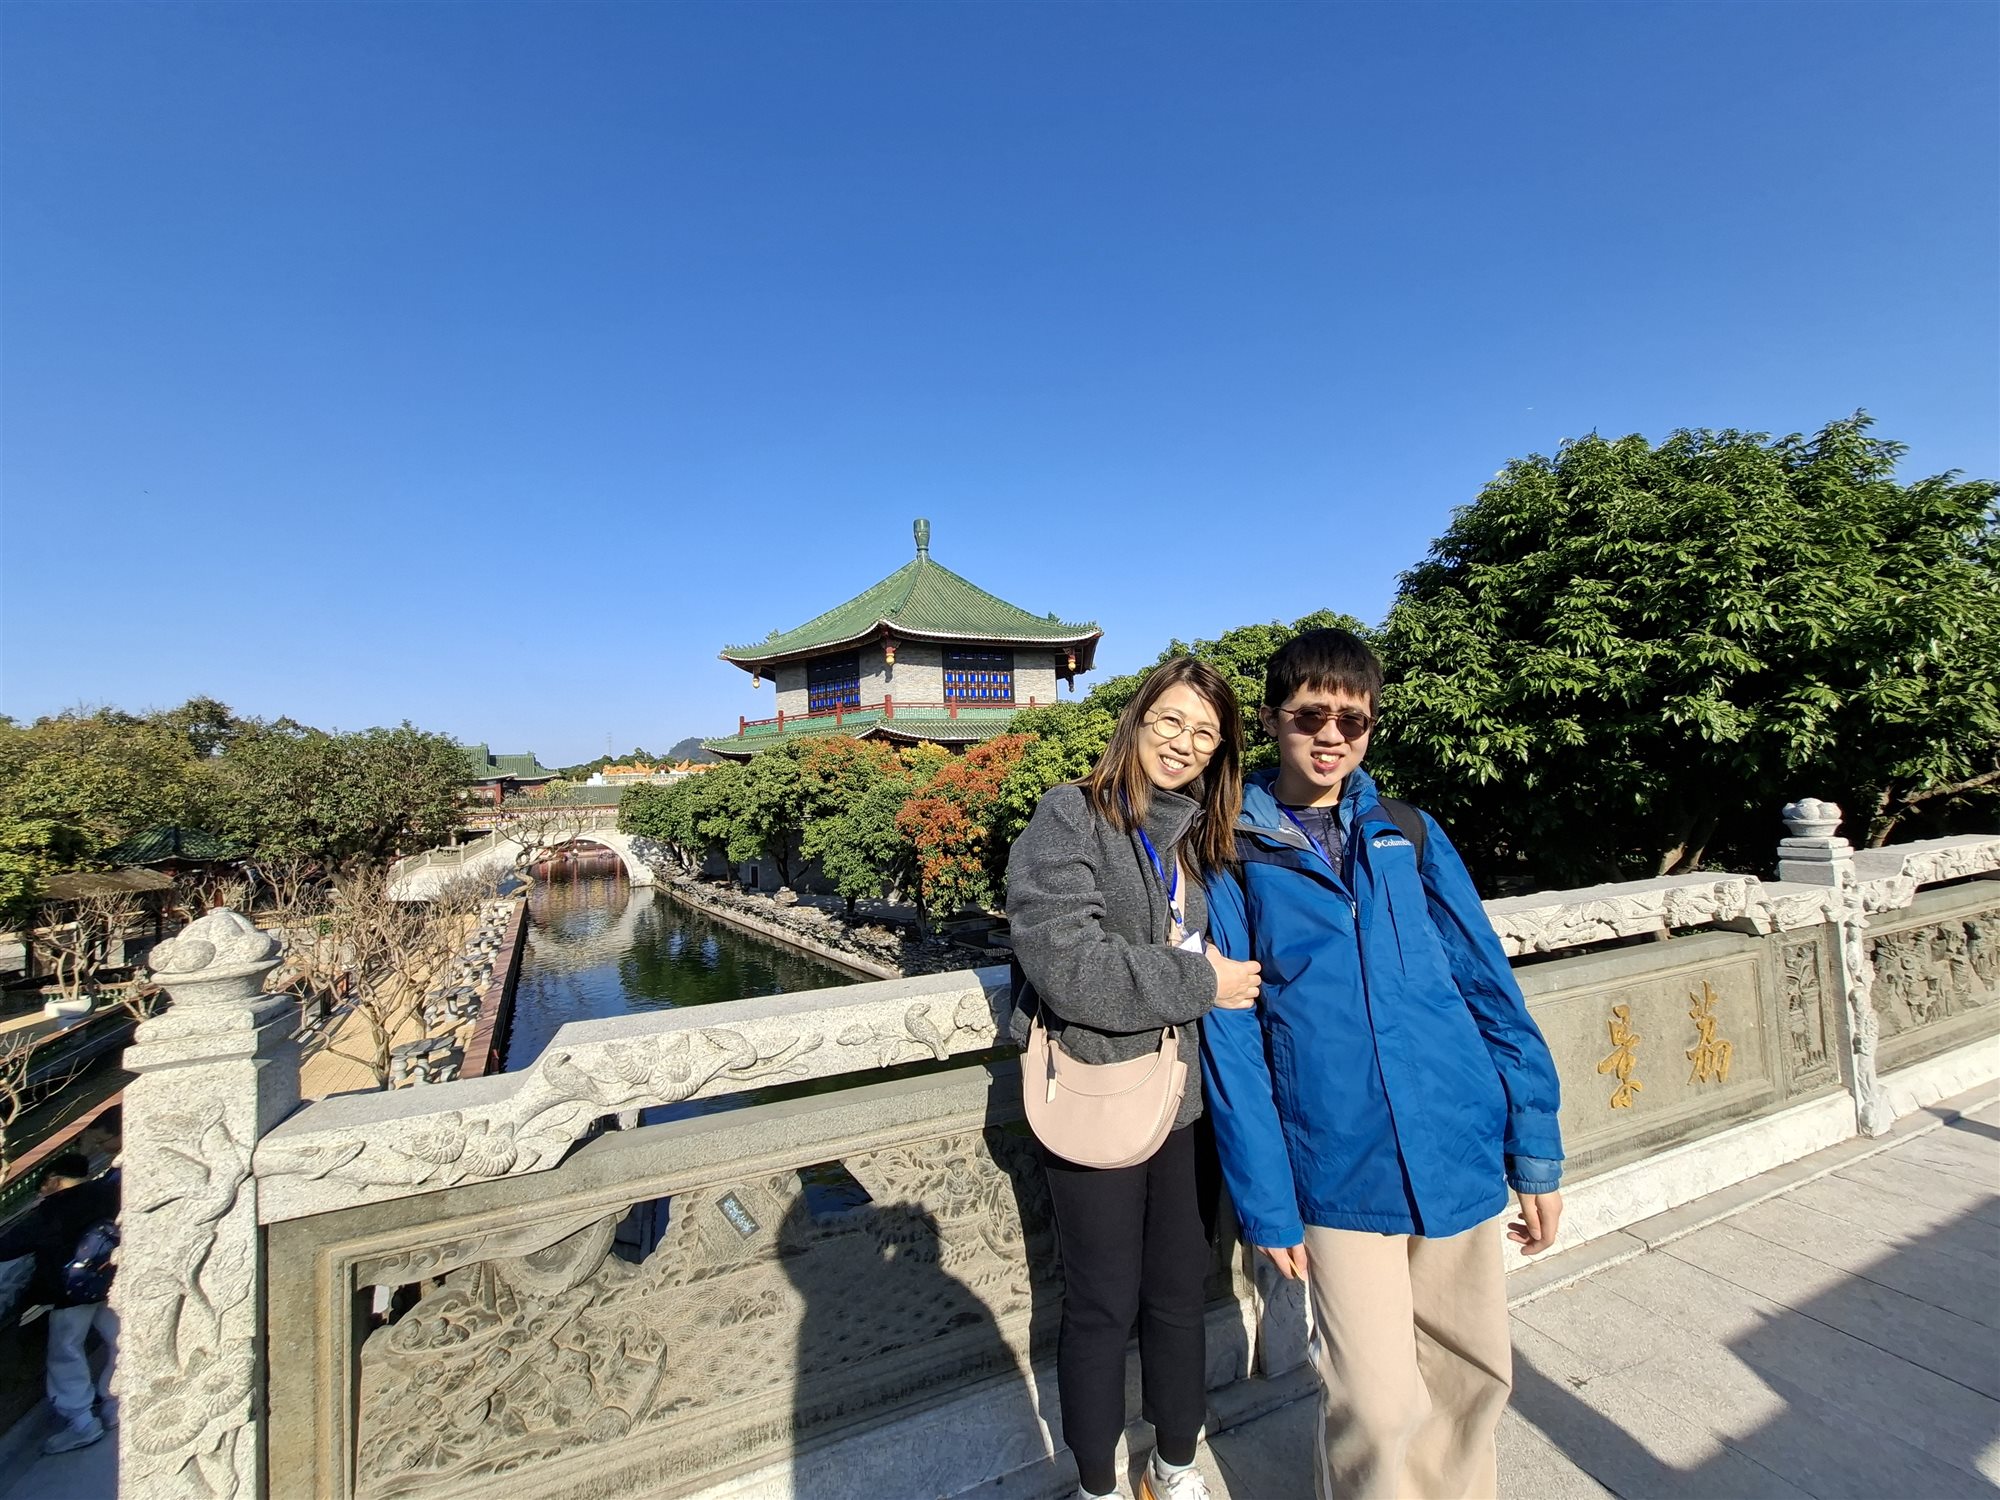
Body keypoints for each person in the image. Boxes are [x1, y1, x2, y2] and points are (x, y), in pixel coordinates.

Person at [1201, 628, 1565, 1500]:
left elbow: (1488, 986)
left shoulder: (1409, 832)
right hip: (1336, 1158)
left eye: (1352, 721)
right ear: (1272, 720)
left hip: (1455, 1138)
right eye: (1309, 716)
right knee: (1374, 1403)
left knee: (1471, 1377)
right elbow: (1233, 1040)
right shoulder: (1233, 849)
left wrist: (1535, 1149)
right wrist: (1266, 1200)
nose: (1331, 736)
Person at [1007, 657, 1264, 1500]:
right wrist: (1201, 982)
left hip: (1189, 1104)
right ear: (1136, 721)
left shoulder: (1206, 839)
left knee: (1181, 1294)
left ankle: (1174, 1467)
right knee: (1102, 1303)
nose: (1184, 744)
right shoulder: (1071, 816)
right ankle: (1096, 1484)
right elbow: (1067, 964)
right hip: (1100, 1091)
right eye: (1170, 722)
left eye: (1205, 733)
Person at [0, 1132, 123, 1455]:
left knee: (66, 1354)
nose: (41, 1193)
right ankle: (116, 1402)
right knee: (119, 1341)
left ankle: (82, 1422)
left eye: (42, 1186)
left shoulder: (50, 1212)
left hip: (68, 1294)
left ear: (54, 1181)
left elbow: (8, 1246)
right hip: (108, 1285)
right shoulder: (107, 1193)